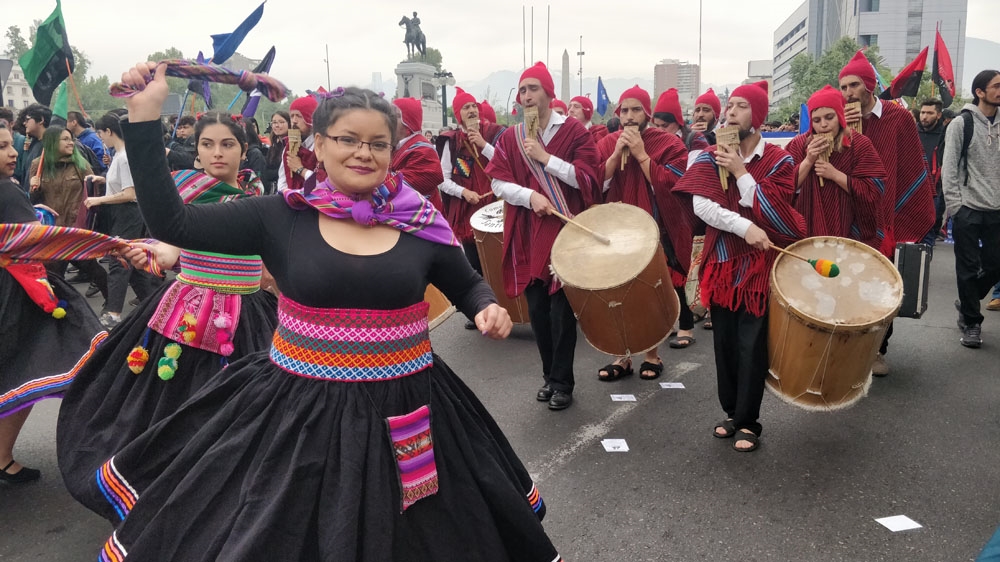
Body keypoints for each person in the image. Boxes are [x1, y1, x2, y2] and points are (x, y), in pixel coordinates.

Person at [86, 62, 563, 561]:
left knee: (423, 533)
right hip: (300, 411)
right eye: (348, 139)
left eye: (378, 143)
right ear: (318, 142)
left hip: (410, 405)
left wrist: (487, 307)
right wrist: (142, 121)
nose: (363, 152)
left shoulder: (419, 220)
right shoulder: (279, 215)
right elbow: (173, 220)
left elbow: (464, 282)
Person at [58, 110, 280, 524]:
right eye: (207, 144)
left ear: (243, 149)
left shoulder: (260, 201)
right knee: (171, 407)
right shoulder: (186, 193)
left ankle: (231, 498)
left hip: (248, 315)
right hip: (187, 313)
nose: (217, 153)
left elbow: (269, 265)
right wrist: (154, 253)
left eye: (227, 144)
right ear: (195, 151)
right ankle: (167, 494)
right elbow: (174, 249)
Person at [674, 81, 805, 452]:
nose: (731, 112)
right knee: (725, 343)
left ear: (758, 116)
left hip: (760, 267)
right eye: (729, 106)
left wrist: (741, 172)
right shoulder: (705, 156)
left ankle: (749, 421)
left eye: (741, 106)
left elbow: (779, 211)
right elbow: (703, 208)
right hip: (721, 262)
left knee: (752, 344)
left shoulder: (779, 160)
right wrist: (746, 226)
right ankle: (731, 412)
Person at [485, 62, 601, 411]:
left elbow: (590, 179)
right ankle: (549, 375)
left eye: (533, 88)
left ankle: (563, 382)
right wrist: (530, 196)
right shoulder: (511, 136)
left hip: (565, 231)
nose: (527, 96)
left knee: (561, 312)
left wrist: (547, 159)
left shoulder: (576, 134)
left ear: (550, 94)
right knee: (537, 309)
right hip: (527, 230)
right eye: (522, 90)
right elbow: (498, 182)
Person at [0, 121, 105, 484]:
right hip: (17, 293)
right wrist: (108, 246)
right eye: (2, 147)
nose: (13, 152)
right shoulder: (6, 192)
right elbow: (37, 241)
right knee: (28, 368)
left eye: (9, 145)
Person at [839, 50, 936, 375]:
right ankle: (850, 346)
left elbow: (910, 168)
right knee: (847, 283)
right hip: (847, 212)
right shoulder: (837, 119)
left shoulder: (898, 118)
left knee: (881, 285)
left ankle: (878, 348)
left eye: (854, 85)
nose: (848, 93)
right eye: (843, 87)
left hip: (885, 217)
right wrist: (846, 135)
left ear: (869, 86)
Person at [597, 85, 694, 382]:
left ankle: (652, 354)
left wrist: (641, 156)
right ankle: (621, 355)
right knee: (616, 290)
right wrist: (614, 157)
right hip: (615, 227)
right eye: (624, 110)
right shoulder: (606, 142)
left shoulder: (668, 144)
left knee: (651, 291)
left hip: (654, 226)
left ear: (647, 113)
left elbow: (675, 184)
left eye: (635, 109)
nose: (629, 116)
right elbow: (593, 184)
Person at [82, 113, 163, 329]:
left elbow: (129, 193)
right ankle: (156, 306)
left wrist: (99, 199)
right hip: (122, 212)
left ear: (109, 131)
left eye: (101, 134)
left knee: (120, 261)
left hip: (128, 212)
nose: (101, 139)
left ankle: (113, 313)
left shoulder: (124, 157)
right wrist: (103, 180)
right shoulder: (119, 156)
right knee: (133, 265)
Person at [786, 85, 886, 249]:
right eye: (816, 120)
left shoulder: (860, 144)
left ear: (840, 116)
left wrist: (835, 175)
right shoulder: (798, 144)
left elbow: (874, 191)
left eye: (829, 117)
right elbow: (783, 187)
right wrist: (808, 160)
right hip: (807, 228)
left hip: (849, 228)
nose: (823, 125)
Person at [942, 69, 1000, 348]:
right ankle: (972, 323)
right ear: (980, 91)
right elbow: (949, 168)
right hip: (968, 208)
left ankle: (967, 299)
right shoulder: (961, 124)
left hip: (997, 209)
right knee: (967, 268)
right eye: (996, 86)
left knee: (995, 264)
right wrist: (956, 207)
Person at [435, 88, 503, 279]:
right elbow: (442, 180)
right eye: (466, 107)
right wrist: (464, 192)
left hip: (496, 207)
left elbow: (505, 162)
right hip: (468, 213)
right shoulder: (453, 142)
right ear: (459, 115)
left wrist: (484, 145)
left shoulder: (493, 134)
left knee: (498, 265)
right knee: (476, 267)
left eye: (474, 106)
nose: (472, 110)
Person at [391, 97, 445, 210]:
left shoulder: (424, 150)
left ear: (408, 121)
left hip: (422, 220)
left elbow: (400, 188)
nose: (388, 120)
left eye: (395, 116)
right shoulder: (393, 145)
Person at [917, 98, 947, 246]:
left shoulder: (946, 134)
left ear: (938, 115)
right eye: (922, 112)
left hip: (936, 190)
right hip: (913, 188)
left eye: (929, 113)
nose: (924, 116)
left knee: (928, 234)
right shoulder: (912, 130)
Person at [278, 95, 320, 192]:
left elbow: (322, 184)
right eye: (292, 116)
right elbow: (282, 182)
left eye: (299, 116)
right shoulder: (289, 147)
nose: (294, 121)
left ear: (310, 118)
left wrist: (300, 169)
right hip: (291, 199)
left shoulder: (322, 146)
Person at [15, 104, 51, 189]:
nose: (24, 123)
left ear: (41, 120)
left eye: (27, 119)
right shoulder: (34, 144)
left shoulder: (50, 146)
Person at [262, 110, 290, 194]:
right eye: (274, 122)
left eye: (281, 122)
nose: (277, 125)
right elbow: (266, 172)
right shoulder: (274, 147)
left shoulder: (292, 146)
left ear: (289, 123)